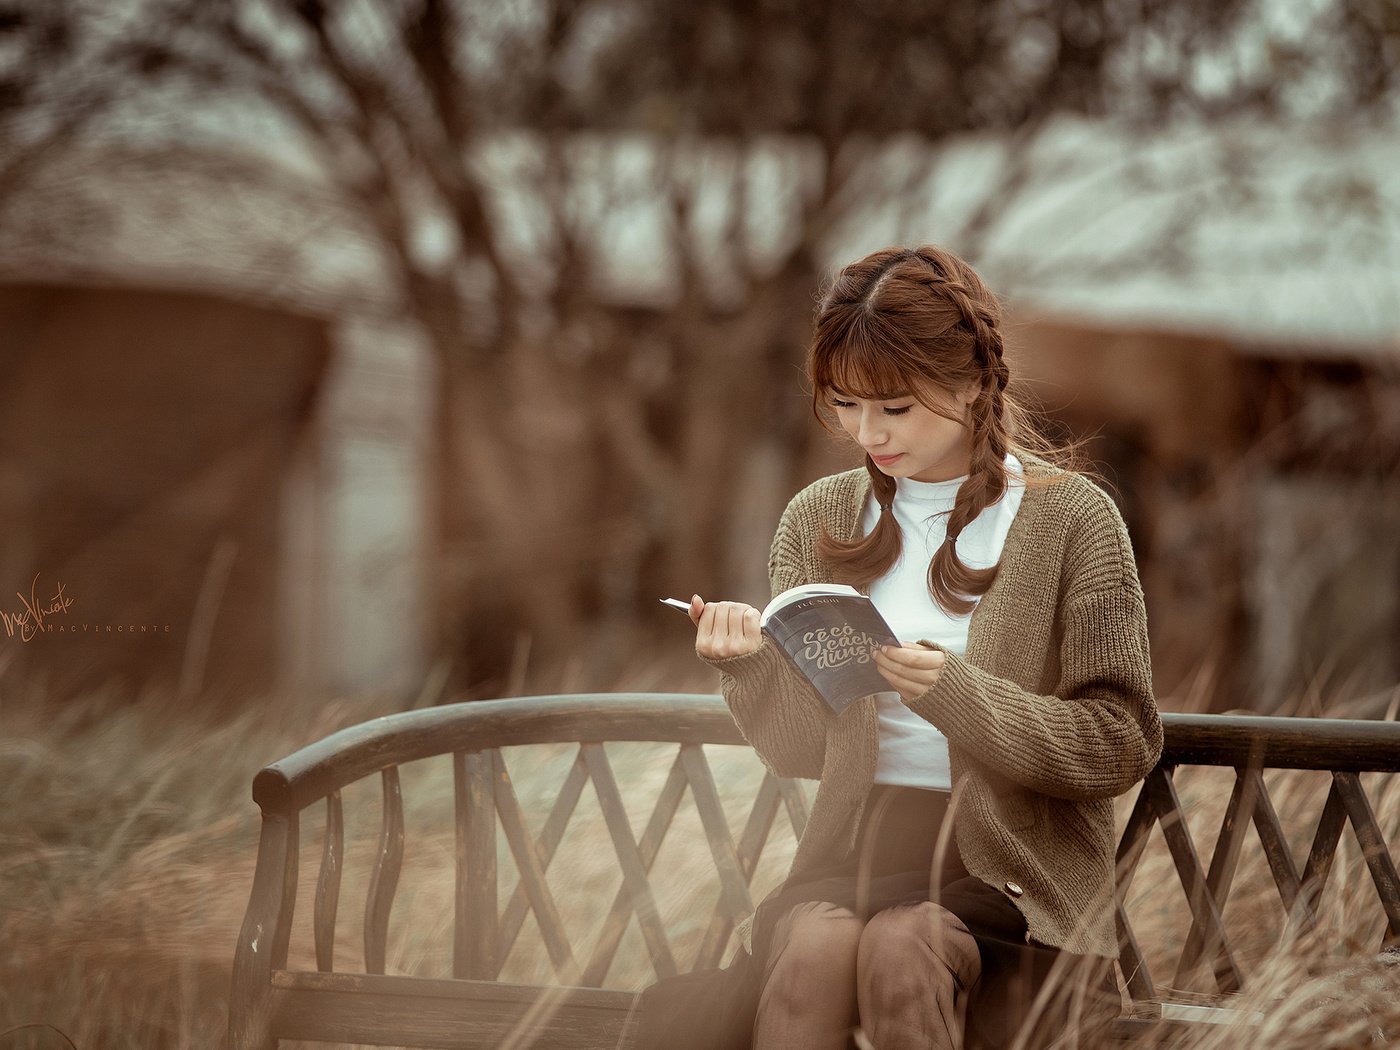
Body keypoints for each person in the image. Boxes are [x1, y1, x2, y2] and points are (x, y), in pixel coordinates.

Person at [684, 245, 1162, 1049]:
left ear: (972, 383)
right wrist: (751, 672)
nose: (866, 433)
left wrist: (957, 694)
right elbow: (804, 752)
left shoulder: (1074, 520)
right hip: (859, 849)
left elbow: (1121, 740)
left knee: (903, 949)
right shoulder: (819, 517)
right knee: (813, 948)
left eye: (894, 408)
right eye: (843, 404)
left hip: (1011, 877)